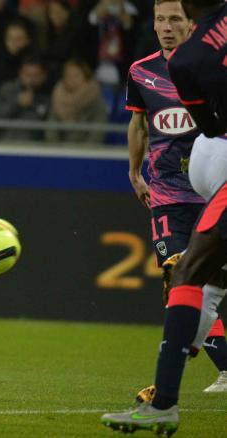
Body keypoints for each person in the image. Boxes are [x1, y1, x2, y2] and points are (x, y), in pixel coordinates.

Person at [102, 0, 227, 434]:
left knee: (196, 279)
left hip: (211, 187)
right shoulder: (144, 71)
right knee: (193, 278)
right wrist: (134, 171)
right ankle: (170, 395)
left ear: (193, 19)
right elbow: (139, 125)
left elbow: (209, 126)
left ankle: (166, 397)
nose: (167, 26)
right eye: (160, 19)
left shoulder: (196, 62)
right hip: (171, 195)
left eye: (176, 18)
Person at [44, 59, 107, 144]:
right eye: (68, 76)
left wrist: (84, 151)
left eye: (76, 75)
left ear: (85, 77)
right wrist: (56, 149)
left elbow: (97, 132)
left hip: (86, 151)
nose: (72, 79)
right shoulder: (58, 97)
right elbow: (51, 129)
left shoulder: (95, 100)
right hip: (60, 150)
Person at [0, 56, 50, 141]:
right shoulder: (8, 90)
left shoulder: (48, 95)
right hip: (7, 145)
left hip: (36, 148)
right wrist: (16, 103)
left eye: (36, 75)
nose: (31, 80)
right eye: (27, 75)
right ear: (20, 73)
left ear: (44, 76)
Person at [0, 18, 37, 93]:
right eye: (9, 38)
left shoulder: (33, 61)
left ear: (28, 41)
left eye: (18, 39)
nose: (13, 43)